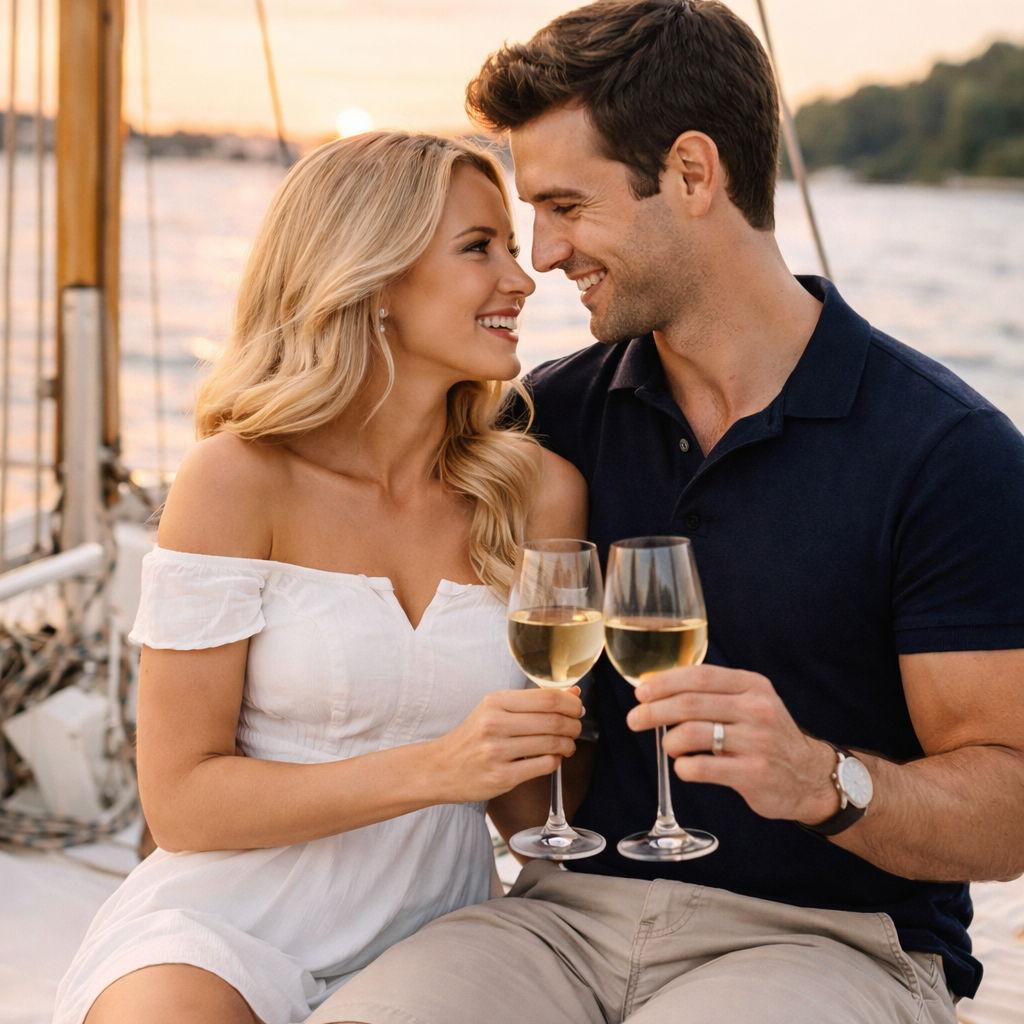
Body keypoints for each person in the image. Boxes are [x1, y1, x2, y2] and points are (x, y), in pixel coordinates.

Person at [310, 3, 1024, 1023]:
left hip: (831, 944)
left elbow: (1012, 806)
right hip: (556, 917)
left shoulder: (946, 452)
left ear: (692, 173)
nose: (543, 254)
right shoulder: (542, 421)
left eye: (565, 206)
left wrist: (828, 779)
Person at [51, 132, 589, 1024]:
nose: (522, 279)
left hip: (442, 939)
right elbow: (182, 801)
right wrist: (437, 768)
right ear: (375, 279)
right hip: (223, 927)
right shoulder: (237, 478)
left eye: (511, 247)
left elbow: (535, 804)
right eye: (478, 248)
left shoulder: (537, 494)